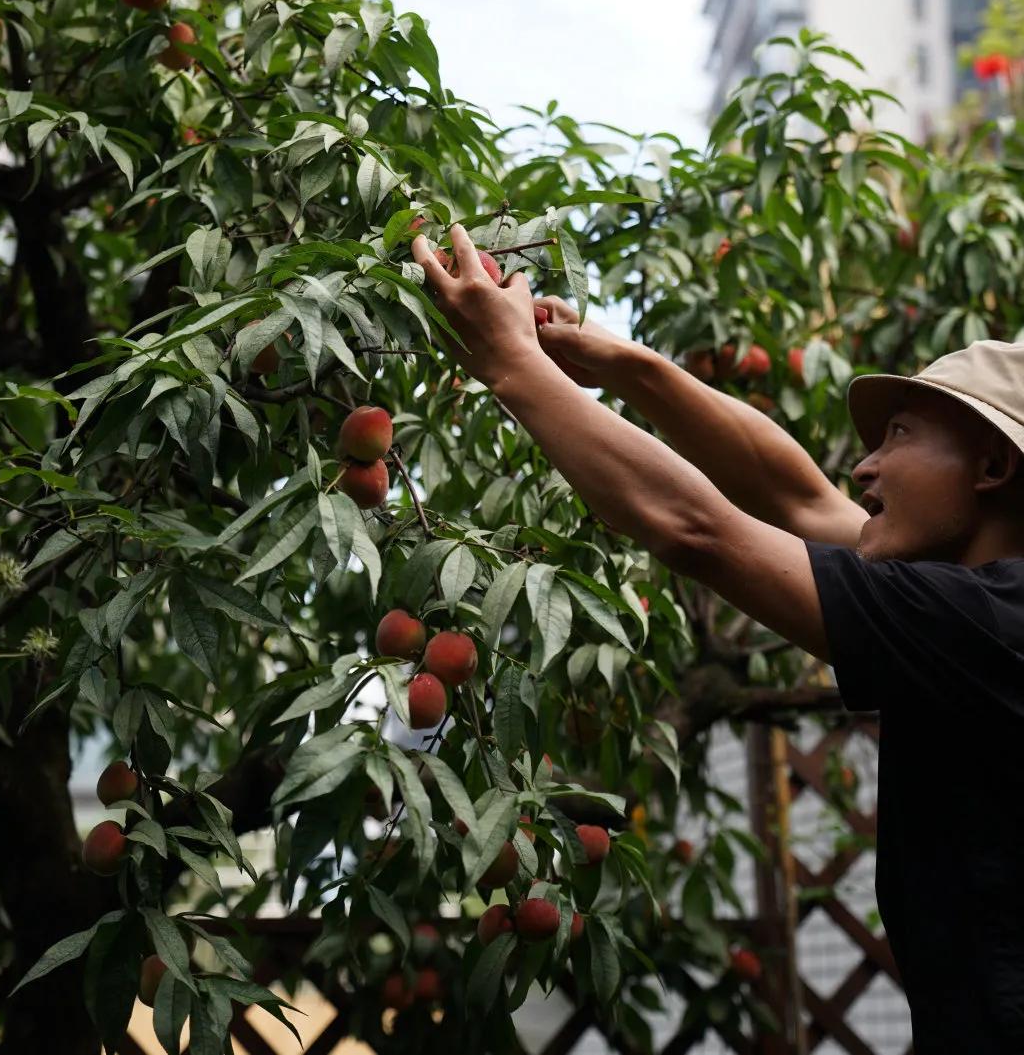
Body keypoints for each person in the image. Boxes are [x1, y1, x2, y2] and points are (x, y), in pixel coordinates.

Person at [412, 225, 1024, 1055]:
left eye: (901, 436)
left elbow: (698, 531)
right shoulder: (968, 597)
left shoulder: (990, 622)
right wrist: (619, 365)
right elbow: (793, 491)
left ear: (991, 469)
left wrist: (508, 362)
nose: (865, 468)